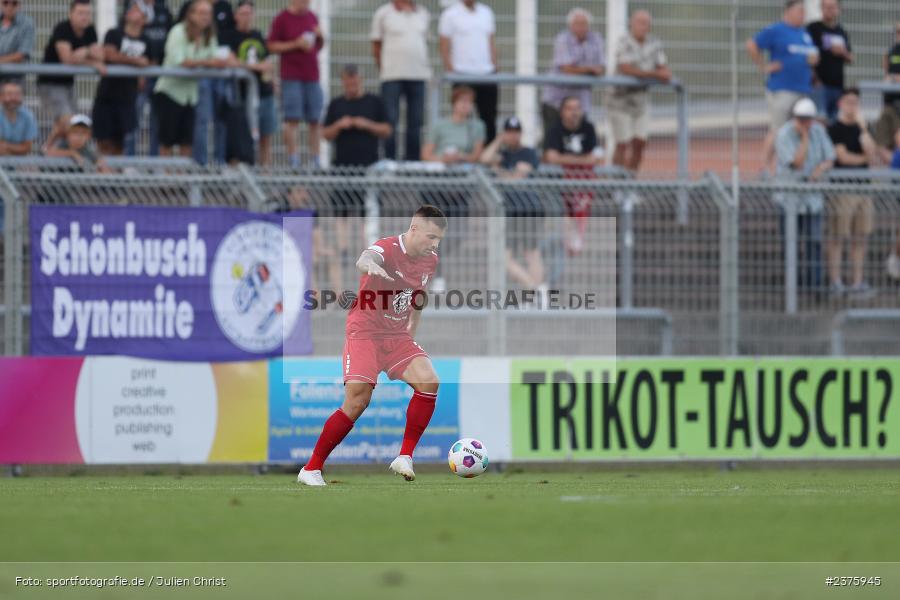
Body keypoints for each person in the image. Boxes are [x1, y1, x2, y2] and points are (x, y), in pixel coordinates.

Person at [297, 205, 447, 486]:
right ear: (414, 229)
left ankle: (405, 456)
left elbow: (420, 295)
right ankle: (312, 468)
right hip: (365, 331)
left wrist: (412, 328)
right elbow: (366, 258)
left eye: (438, 239)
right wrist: (370, 265)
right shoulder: (388, 248)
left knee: (429, 381)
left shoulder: (431, 260)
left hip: (397, 336)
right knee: (358, 400)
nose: (434, 244)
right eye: (430, 237)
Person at [322, 63, 392, 290]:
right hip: (342, 168)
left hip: (368, 169)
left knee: (366, 212)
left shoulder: (373, 103)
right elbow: (325, 133)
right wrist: (340, 126)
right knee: (341, 211)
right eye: (346, 82)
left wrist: (365, 124)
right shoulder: (337, 105)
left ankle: (368, 252)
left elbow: (386, 130)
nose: (350, 86)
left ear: (360, 80)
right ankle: (343, 251)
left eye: (354, 82)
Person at [420, 85, 484, 293]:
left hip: (459, 186)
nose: (466, 106)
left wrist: (460, 157)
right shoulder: (440, 126)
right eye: (462, 101)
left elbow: (476, 154)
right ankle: (436, 274)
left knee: (458, 232)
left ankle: (436, 263)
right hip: (438, 183)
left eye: (469, 102)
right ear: (454, 103)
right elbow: (427, 154)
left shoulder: (475, 126)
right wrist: (444, 159)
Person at [481, 116, 548, 306]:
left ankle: (533, 295)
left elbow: (517, 177)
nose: (513, 136)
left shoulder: (528, 152)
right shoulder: (503, 154)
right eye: (509, 132)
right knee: (503, 258)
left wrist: (499, 172)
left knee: (531, 253)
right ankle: (534, 290)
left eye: (515, 132)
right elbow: (484, 158)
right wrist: (498, 140)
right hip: (510, 210)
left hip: (529, 208)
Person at [747, 0, 819, 172]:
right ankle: (765, 168)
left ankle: (790, 165)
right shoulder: (776, 30)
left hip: (802, 88)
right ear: (788, 11)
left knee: (799, 128)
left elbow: (812, 56)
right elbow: (752, 45)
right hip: (782, 88)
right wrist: (763, 66)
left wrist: (813, 62)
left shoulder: (804, 33)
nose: (802, 14)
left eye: (804, 11)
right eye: (799, 10)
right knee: (778, 128)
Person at [153, 0, 231, 158]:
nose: (206, 17)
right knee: (167, 140)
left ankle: (183, 178)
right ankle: (166, 179)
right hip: (170, 92)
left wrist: (214, 62)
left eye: (208, 13)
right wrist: (208, 63)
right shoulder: (178, 31)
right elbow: (180, 61)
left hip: (191, 95)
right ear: (191, 14)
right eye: (202, 13)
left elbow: (216, 57)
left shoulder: (208, 35)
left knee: (187, 141)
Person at [774, 98, 835, 293]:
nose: (805, 123)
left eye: (808, 119)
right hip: (789, 200)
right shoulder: (784, 135)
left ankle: (814, 285)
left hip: (812, 199)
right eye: (801, 119)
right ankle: (792, 285)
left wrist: (820, 169)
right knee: (790, 243)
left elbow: (830, 157)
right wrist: (805, 138)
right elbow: (797, 163)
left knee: (814, 242)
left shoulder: (819, 131)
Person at [826, 89, 878, 297]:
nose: (852, 106)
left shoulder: (862, 128)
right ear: (840, 103)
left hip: (863, 188)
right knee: (838, 236)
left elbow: (873, 154)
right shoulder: (835, 128)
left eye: (855, 102)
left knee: (860, 237)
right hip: (843, 189)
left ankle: (857, 282)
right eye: (848, 102)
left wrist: (864, 128)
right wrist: (864, 159)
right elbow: (843, 158)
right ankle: (836, 281)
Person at [607, 9, 669, 173]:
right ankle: (617, 183)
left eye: (646, 23)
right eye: (640, 22)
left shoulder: (654, 43)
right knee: (622, 142)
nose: (643, 26)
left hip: (641, 101)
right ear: (631, 24)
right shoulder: (623, 42)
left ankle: (630, 182)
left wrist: (661, 73)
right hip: (620, 100)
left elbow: (663, 68)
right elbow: (626, 68)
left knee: (640, 142)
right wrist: (654, 74)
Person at [38, 0, 104, 152]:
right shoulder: (62, 28)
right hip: (50, 83)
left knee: (71, 124)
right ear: (71, 14)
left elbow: (100, 56)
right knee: (70, 124)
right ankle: (56, 151)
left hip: (68, 84)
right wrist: (88, 54)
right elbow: (67, 59)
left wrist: (83, 55)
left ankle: (47, 149)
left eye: (87, 13)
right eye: (80, 13)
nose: (84, 17)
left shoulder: (90, 30)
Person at [370, 0, 430, 161]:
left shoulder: (423, 13)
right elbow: (376, 45)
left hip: (418, 76)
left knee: (416, 122)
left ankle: (412, 162)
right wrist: (384, 68)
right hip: (391, 76)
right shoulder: (383, 13)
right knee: (390, 121)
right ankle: (390, 161)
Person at [268, 0, 325, 168]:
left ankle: (315, 160)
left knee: (315, 119)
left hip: (312, 76)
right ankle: (294, 160)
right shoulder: (282, 18)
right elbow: (271, 45)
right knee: (292, 120)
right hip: (291, 77)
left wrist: (320, 37)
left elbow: (317, 46)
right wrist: (295, 44)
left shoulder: (312, 17)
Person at [543, 95, 603, 255]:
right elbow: (551, 157)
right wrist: (582, 160)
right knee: (566, 204)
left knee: (582, 199)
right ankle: (568, 237)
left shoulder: (588, 128)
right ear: (562, 112)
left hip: (583, 179)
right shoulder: (554, 130)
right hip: (563, 179)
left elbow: (596, 158)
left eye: (577, 108)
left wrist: (569, 159)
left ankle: (576, 237)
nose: (574, 112)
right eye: (570, 108)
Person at [92, 1, 150, 156]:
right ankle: (103, 174)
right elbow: (109, 54)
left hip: (127, 98)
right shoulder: (114, 33)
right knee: (103, 141)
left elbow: (149, 62)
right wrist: (135, 61)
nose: (132, 11)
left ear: (145, 18)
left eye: (137, 10)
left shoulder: (147, 39)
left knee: (120, 142)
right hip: (107, 95)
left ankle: (114, 175)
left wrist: (136, 66)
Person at [223, 0, 277, 167]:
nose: (247, 17)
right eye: (243, 13)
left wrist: (248, 66)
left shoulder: (258, 35)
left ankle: (265, 171)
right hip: (240, 95)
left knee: (266, 134)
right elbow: (231, 62)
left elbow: (268, 64)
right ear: (236, 15)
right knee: (239, 136)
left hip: (264, 92)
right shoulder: (228, 36)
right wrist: (256, 67)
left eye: (249, 13)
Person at [439, 0, 499, 144]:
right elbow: (444, 45)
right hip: (462, 73)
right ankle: (460, 151)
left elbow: (491, 41)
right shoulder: (450, 14)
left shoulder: (486, 12)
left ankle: (487, 156)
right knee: (461, 116)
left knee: (488, 118)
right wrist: (451, 69)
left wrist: (495, 66)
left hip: (487, 74)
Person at [541, 8, 605, 137]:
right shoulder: (562, 39)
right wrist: (589, 69)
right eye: (577, 24)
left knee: (579, 141)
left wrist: (583, 70)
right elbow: (565, 68)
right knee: (552, 139)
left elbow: (601, 68)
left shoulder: (596, 39)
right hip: (556, 100)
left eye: (584, 24)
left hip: (580, 102)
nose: (581, 27)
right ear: (570, 25)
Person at [123, 0, 173, 157]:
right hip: (136, 77)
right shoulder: (131, 7)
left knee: (157, 122)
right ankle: (129, 161)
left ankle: (154, 162)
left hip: (159, 76)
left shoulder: (163, 10)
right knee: (132, 120)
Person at [807, 0, 853, 122]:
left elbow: (851, 58)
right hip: (819, 85)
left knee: (834, 121)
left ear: (838, 9)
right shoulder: (813, 28)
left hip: (837, 86)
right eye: (826, 7)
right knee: (819, 120)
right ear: (821, 9)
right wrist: (814, 78)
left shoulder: (841, 31)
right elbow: (807, 55)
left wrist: (842, 52)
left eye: (832, 7)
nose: (830, 10)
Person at [873, 23, 900, 165]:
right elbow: (886, 74)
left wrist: (896, 78)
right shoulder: (891, 52)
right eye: (898, 31)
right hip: (890, 104)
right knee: (882, 142)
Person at [0, 0, 35, 83]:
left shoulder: (27, 24)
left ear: (19, 5)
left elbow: (22, 54)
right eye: (6, 2)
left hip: (14, 78)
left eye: (14, 3)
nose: (10, 6)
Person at [0, 80, 36, 155]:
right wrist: (18, 147)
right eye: (9, 94)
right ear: (1, 97)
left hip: (20, 162)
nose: (13, 98)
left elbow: (27, 148)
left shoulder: (28, 116)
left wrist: (6, 145)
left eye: (17, 94)